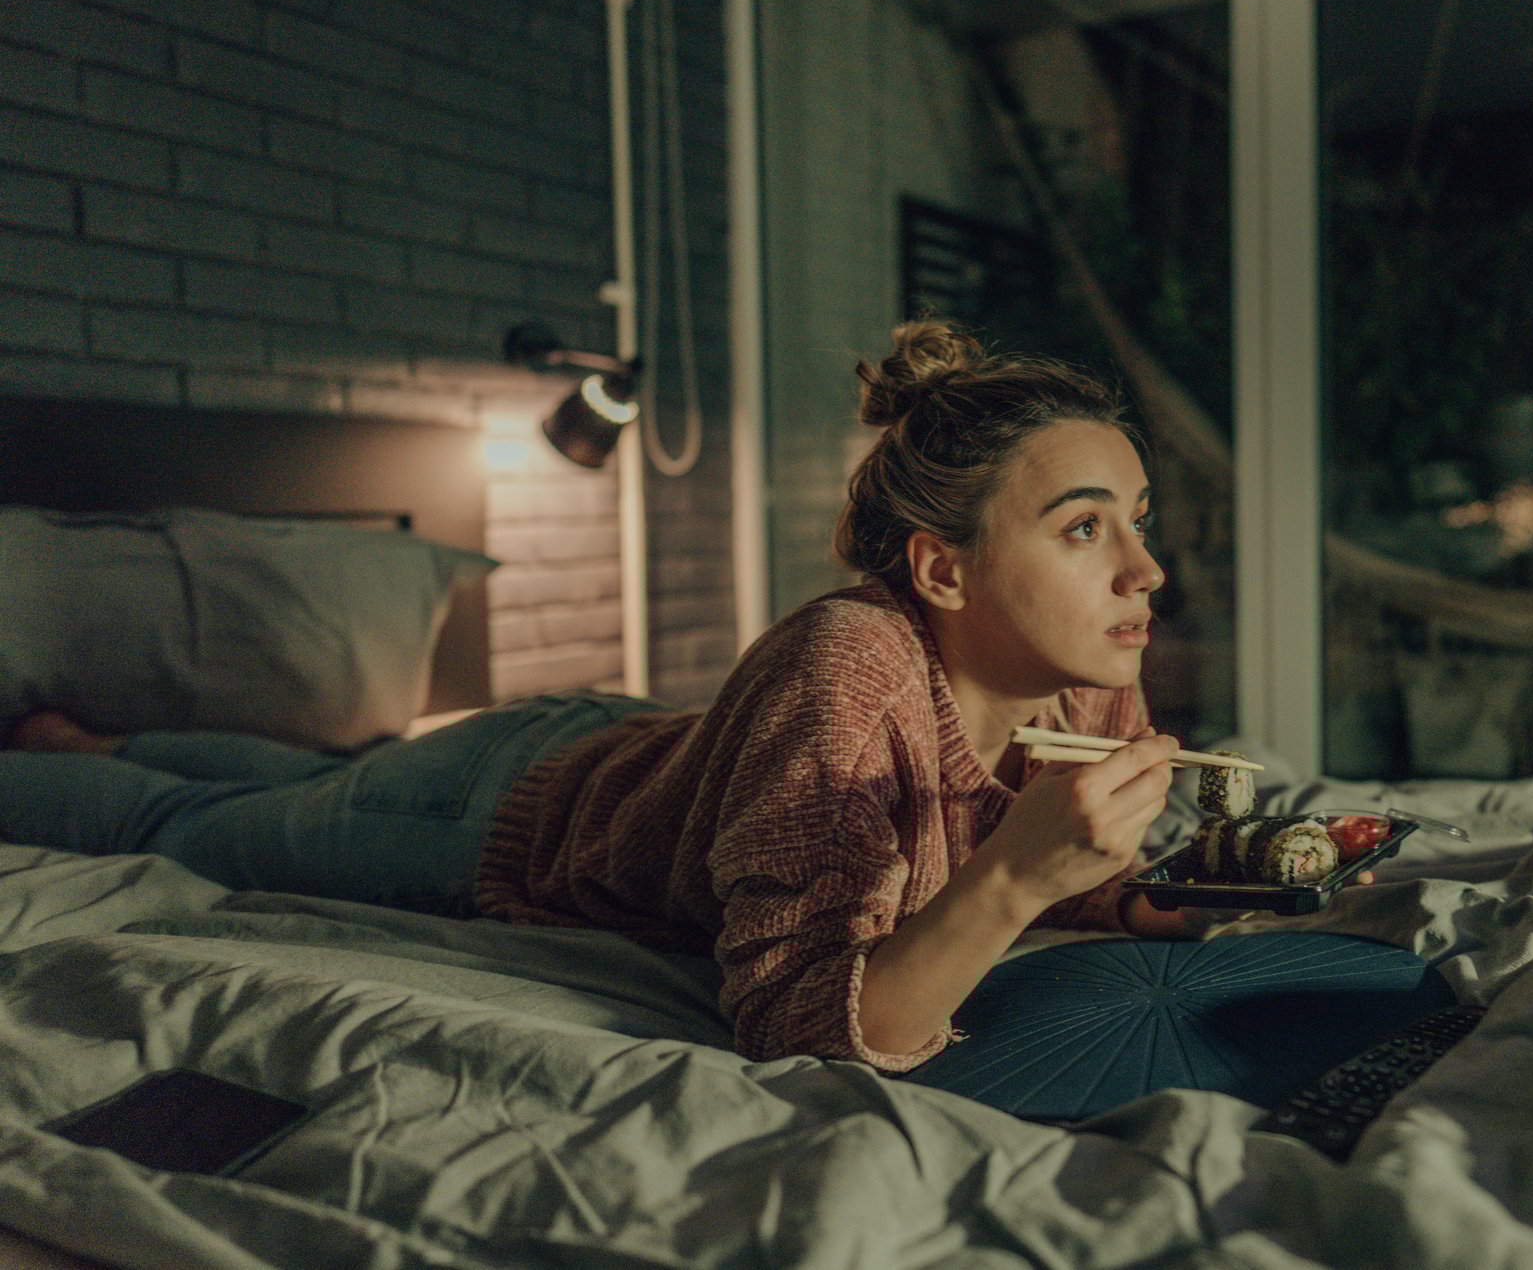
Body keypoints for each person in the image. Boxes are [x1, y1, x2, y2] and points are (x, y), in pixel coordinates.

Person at [0, 320, 1195, 1071]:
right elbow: (802, 1022)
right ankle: (72, 754)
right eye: (1084, 527)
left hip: (627, 743)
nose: (1144, 572)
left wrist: (1125, 900)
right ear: (942, 567)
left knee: (311, 774)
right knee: (184, 830)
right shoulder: (848, 667)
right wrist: (1024, 877)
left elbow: (1046, 859)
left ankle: (97, 734)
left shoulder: (1092, 681)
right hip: (496, 804)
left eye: (1135, 522)